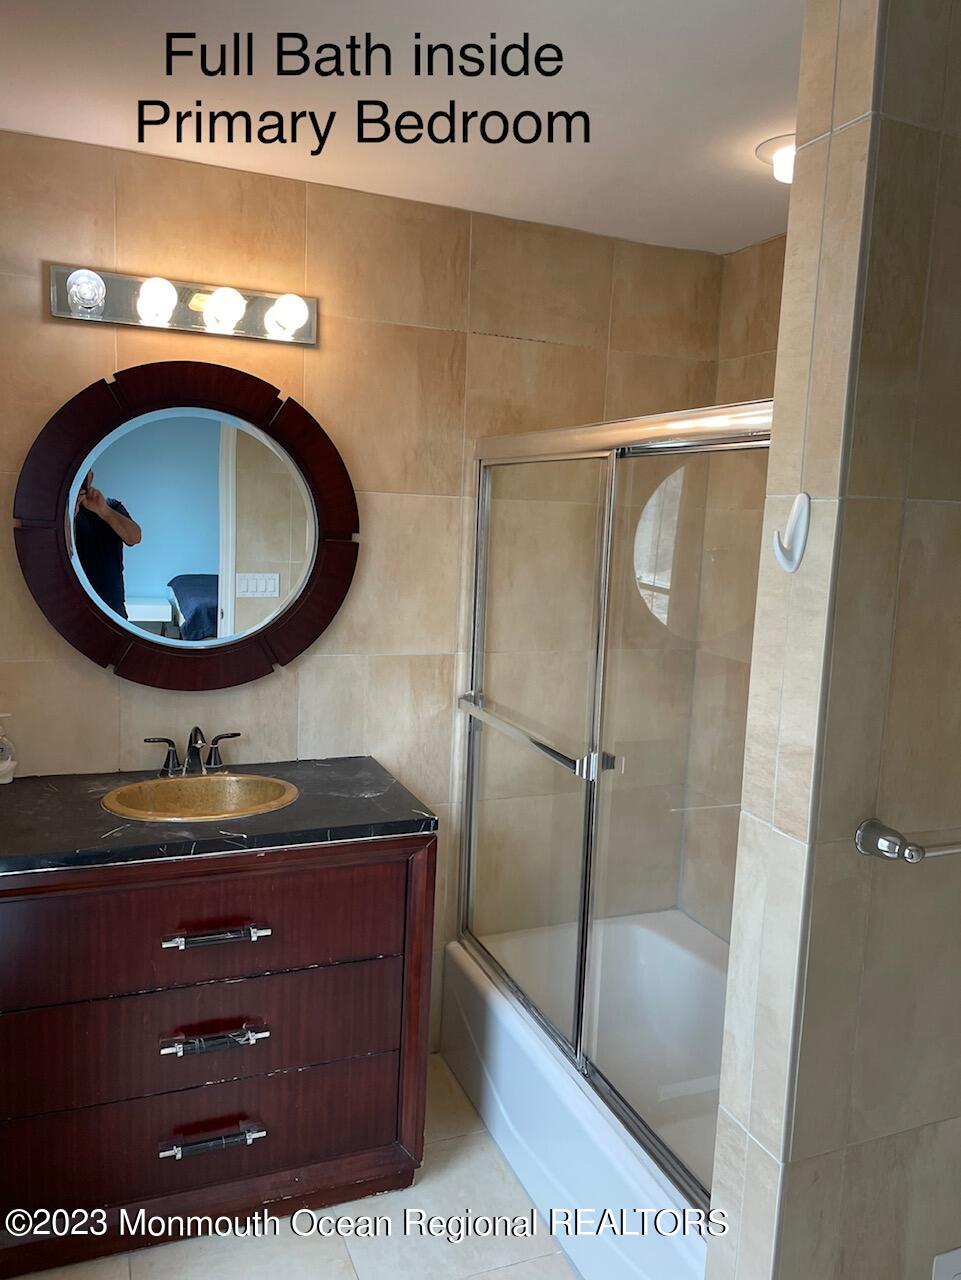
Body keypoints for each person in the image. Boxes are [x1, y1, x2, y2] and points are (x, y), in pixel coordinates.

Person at [73, 469, 141, 619]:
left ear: (91, 476)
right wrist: (70, 515)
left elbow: (134, 538)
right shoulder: (60, 515)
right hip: (73, 598)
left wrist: (103, 510)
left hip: (112, 601)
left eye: (85, 473)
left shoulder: (111, 506)